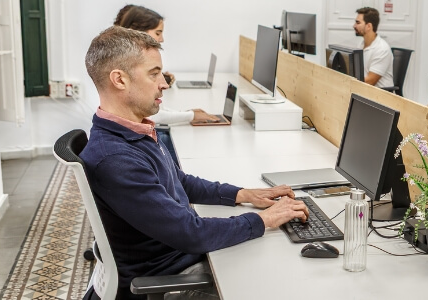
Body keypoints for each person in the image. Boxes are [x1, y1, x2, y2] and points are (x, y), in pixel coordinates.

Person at [80, 26, 309, 300]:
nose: (164, 83)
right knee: (280, 279)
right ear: (119, 80)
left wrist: (242, 195)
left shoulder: (134, 130)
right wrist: (264, 219)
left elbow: (178, 181)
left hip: (178, 257)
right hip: (169, 276)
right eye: (154, 74)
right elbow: (191, 234)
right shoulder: (115, 158)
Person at [113, 4, 218, 125]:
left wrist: (186, 113)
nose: (161, 39)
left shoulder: (125, 57)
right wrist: (190, 116)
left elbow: (153, 111)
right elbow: (151, 116)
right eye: (158, 33)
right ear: (139, 31)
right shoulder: (128, 64)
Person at [353, 7, 394, 88]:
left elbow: (370, 81)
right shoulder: (361, 44)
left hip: (380, 95)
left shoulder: (382, 49)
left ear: (368, 26)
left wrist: (348, 82)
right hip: (365, 91)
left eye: (358, 23)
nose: (354, 26)